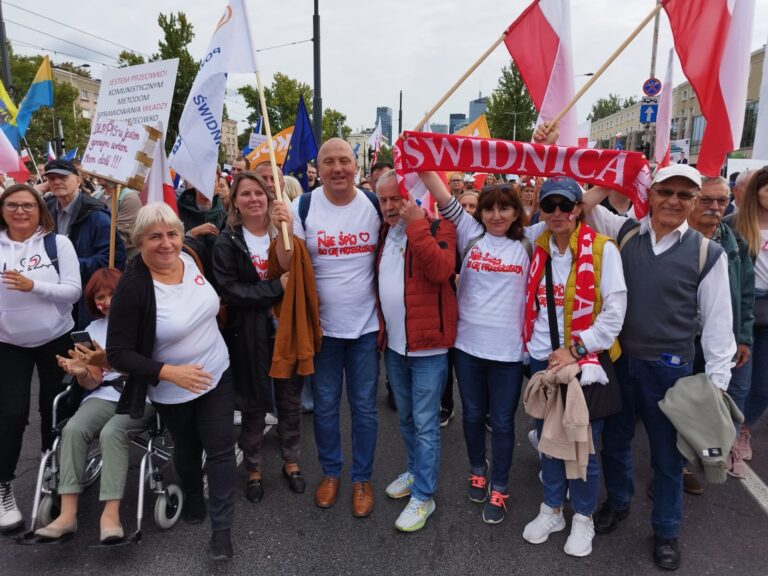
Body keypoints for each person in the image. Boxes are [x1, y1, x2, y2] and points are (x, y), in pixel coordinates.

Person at [584, 164, 735, 571]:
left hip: (670, 370)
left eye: (685, 195)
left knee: (668, 458)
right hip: (620, 362)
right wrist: (616, 169)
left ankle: (667, 530)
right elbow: (583, 206)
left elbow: (719, 322)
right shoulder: (625, 233)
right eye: (665, 191)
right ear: (649, 194)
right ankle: (617, 503)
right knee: (615, 443)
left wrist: (717, 385)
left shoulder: (708, 253)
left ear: (695, 201)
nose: (673, 201)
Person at [106, 203, 236, 561]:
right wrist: (168, 371)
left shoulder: (191, 257)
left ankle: (222, 530)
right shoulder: (133, 288)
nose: (166, 243)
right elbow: (117, 353)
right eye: (155, 236)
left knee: (221, 447)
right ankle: (194, 493)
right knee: (188, 449)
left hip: (216, 371)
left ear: (183, 234)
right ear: (139, 242)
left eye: (172, 234)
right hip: (172, 389)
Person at [422, 170, 546, 524]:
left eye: (504, 208)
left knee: (504, 423)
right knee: (473, 416)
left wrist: (550, 150)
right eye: (489, 209)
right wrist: (416, 151)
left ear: (516, 212)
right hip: (468, 349)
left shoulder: (531, 239)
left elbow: (568, 210)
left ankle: (500, 487)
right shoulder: (469, 233)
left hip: (508, 353)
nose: (496, 216)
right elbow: (438, 189)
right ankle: (478, 470)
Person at [272, 138, 381, 518]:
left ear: (356, 166)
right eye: (329, 162)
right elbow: (287, 262)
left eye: (345, 161)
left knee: (365, 409)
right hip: (323, 331)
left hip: (366, 329)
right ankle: (332, 472)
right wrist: (281, 228)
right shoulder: (304, 205)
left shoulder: (373, 205)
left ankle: (362, 478)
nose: (338, 168)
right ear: (318, 168)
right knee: (326, 408)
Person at [520, 177, 626, 558]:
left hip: (587, 363)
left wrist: (576, 349)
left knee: (584, 445)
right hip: (542, 361)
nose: (558, 213)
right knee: (547, 441)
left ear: (579, 208)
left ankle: (583, 516)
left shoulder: (602, 249)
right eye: (549, 206)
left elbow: (614, 316)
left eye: (566, 205)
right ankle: (552, 509)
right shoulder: (536, 244)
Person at [33, 268, 155, 543]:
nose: (106, 302)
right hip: (103, 395)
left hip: (140, 395)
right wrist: (80, 372)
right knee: (73, 429)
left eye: (112, 294)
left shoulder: (145, 323)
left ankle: (110, 515)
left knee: (113, 433)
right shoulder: (92, 329)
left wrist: (107, 361)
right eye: (100, 297)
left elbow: (146, 368)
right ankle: (67, 515)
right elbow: (93, 382)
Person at [212, 172, 304, 504]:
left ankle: (291, 461)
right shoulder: (227, 241)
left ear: (269, 197)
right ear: (234, 201)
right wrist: (272, 290)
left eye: (260, 193)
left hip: (286, 331)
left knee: (290, 402)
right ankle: (253, 469)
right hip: (248, 335)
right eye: (245, 194)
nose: (254, 199)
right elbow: (230, 291)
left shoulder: (282, 233)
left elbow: (300, 272)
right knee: (253, 405)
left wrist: (289, 228)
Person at [374, 170, 457, 532]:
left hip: (427, 350)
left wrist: (417, 225)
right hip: (395, 346)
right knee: (406, 419)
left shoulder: (440, 228)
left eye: (397, 198)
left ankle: (424, 494)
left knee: (425, 425)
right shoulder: (383, 232)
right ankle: (414, 470)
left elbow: (441, 270)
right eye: (384, 200)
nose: (391, 206)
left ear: (411, 196)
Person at [0, 184, 81, 532]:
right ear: (2, 210)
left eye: (28, 205)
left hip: (55, 339)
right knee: (10, 413)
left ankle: (57, 472)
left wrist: (34, 286)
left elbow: (74, 291)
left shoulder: (57, 243)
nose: (20, 211)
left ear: (39, 208)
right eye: (13, 205)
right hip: (8, 344)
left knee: (57, 408)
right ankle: (4, 486)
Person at [688, 176, 755, 478]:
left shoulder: (733, 241)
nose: (715, 207)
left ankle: (720, 448)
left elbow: (746, 292)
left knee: (725, 396)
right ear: (693, 200)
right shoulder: (676, 237)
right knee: (686, 400)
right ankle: (683, 461)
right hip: (683, 339)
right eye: (707, 200)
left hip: (721, 337)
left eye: (722, 201)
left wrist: (743, 337)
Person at [44, 159, 126, 328]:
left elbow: (112, 258)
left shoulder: (96, 214)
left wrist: (68, 266)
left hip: (87, 298)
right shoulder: (46, 209)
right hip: (56, 296)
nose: (57, 182)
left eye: (63, 177)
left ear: (78, 180)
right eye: (51, 178)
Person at [732, 166, 768, 473]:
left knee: (764, 386)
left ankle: (744, 429)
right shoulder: (736, 224)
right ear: (757, 190)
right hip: (744, 308)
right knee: (738, 381)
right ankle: (728, 438)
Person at [96, 178, 142, 260]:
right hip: (100, 256)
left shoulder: (129, 198)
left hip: (124, 260)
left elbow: (122, 237)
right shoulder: (96, 196)